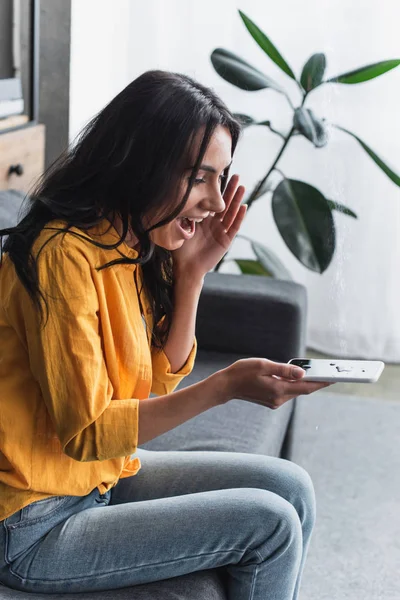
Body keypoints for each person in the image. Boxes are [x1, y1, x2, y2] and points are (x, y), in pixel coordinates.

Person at [0, 70, 332, 599]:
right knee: (269, 521)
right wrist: (223, 386)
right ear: (141, 164)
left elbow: (153, 386)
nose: (218, 204)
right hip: (32, 523)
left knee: (292, 487)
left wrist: (192, 276)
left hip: (98, 480)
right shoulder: (62, 255)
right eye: (200, 178)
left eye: (221, 179)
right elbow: (86, 432)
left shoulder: (127, 245)